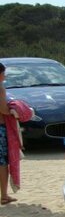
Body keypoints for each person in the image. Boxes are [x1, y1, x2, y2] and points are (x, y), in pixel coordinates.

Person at [0, 62, 17, 205]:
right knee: (2, 163)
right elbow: (3, 109)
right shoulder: (0, 88)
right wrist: (13, 111)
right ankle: (4, 195)